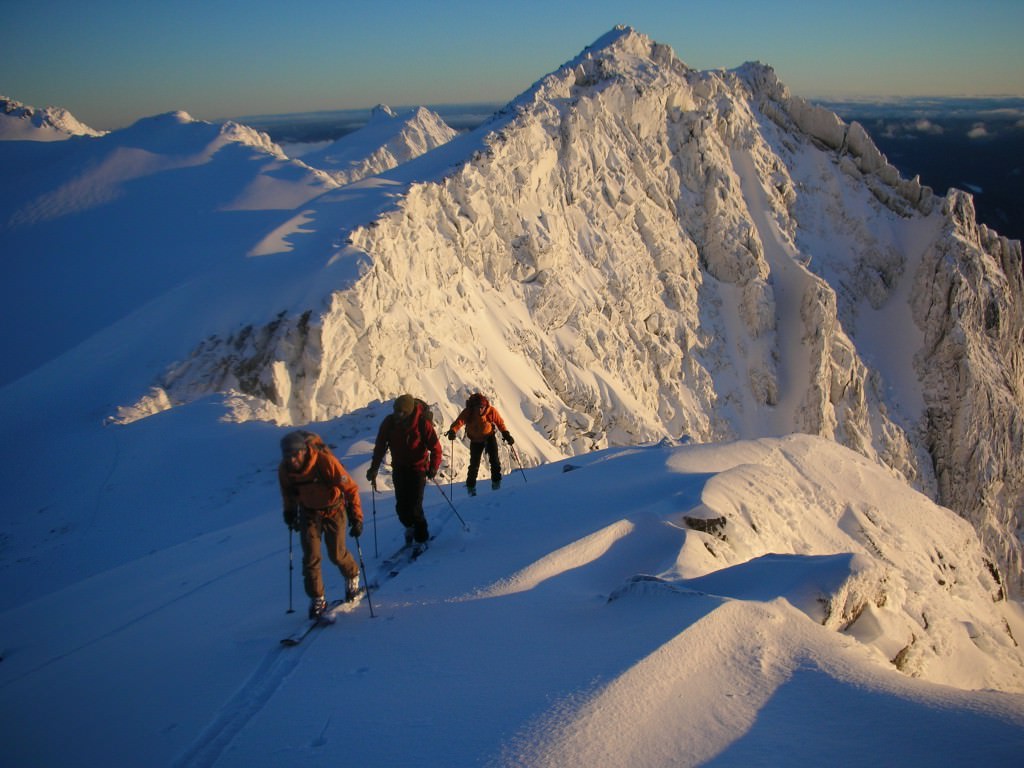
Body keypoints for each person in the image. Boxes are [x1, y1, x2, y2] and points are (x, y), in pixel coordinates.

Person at [278, 430, 365, 619]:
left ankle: (352, 575)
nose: (292, 460)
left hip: (334, 511)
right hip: (309, 513)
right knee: (311, 558)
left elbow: (350, 488)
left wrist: (357, 517)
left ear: (303, 451)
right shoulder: (285, 470)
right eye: (288, 456)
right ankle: (317, 599)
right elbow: (288, 494)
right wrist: (290, 512)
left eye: (295, 455)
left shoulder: (324, 462)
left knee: (337, 554)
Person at [366, 394, 442, 551]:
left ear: (409, 412)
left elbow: (436, 448)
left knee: (415, 507)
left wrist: (433, 467)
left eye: (401, 412)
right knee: (401, 506)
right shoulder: (390, 423)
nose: (398, 415)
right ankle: (410, 527)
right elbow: (380, 446)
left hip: (418, 469)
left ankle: (421, 539)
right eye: (396, 411)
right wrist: (373, 468)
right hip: (400, 468)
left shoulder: (422, 424)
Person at [445, 392, 514, 496]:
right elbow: (459, 421)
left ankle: (496, 484)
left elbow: (500, 423)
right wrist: (453, 431)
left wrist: (506, 434)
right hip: (476, 440)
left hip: (489, 437)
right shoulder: (469, 412)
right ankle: (471, 487)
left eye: (482, 407)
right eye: (479, 407)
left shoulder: (490, 411)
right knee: (474, 465)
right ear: (474, 407)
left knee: (494, 461)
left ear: (485, 405)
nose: (480, 409)